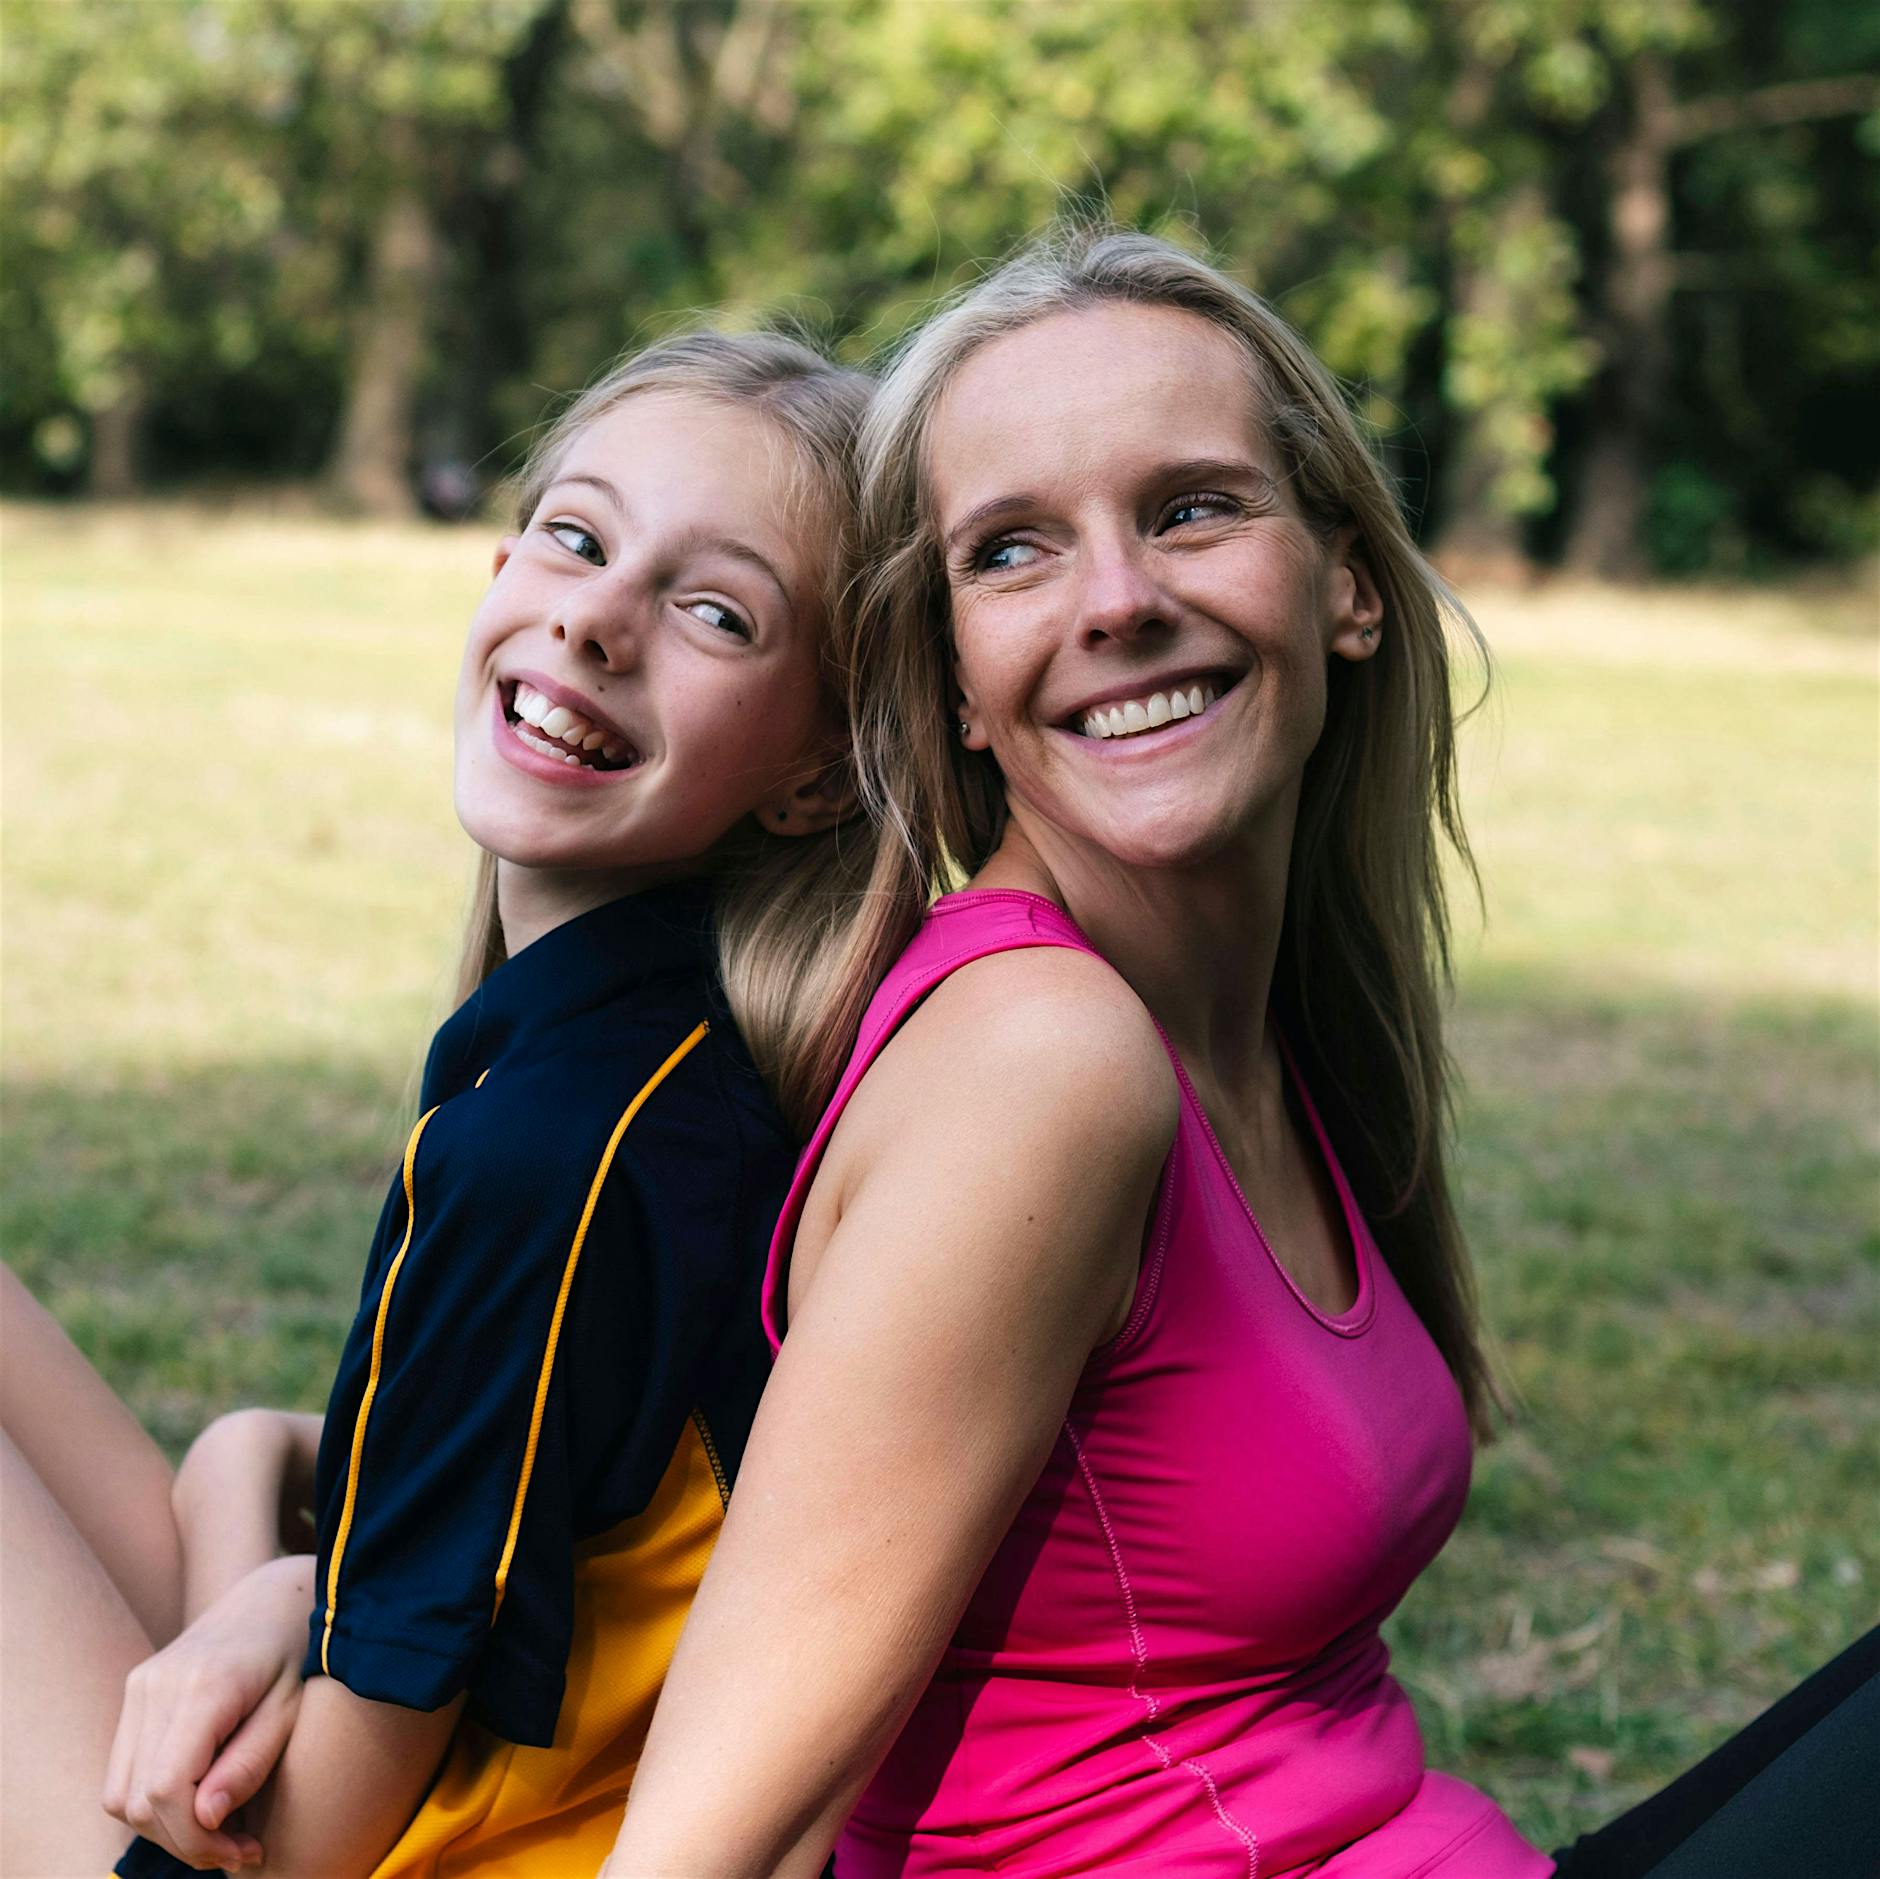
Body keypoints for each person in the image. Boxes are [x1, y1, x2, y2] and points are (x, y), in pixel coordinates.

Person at [605, 228, 1880, 1878]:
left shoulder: (1246, 1018)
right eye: (1013, 552)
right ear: (960, 690)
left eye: (1191, 507)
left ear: (1348, 581)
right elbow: (719, 1834)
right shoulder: (1038, 1069)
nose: (1120, 601)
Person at [0, 328, 878, 1877]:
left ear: (816, 774)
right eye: (580, 537)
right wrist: (271, 1571)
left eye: (716, 612)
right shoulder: (632, 1037)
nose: (601, 619)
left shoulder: (562, 1153)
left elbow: (318, 1838)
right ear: (499, 572)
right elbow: (380, 1504)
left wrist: (271, 1570)